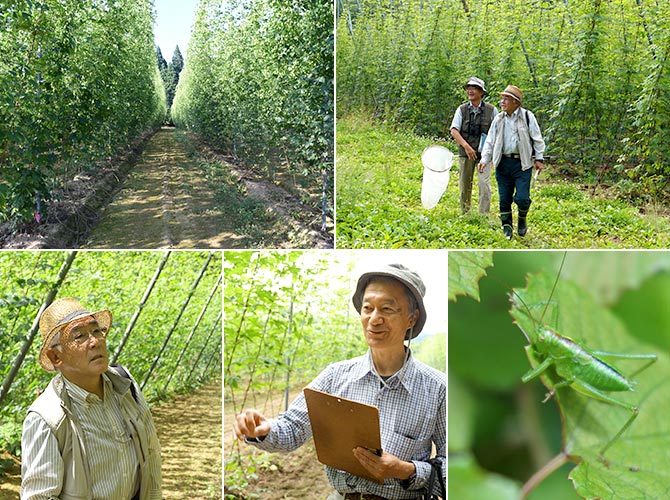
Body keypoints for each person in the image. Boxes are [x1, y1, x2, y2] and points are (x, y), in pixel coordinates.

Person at [234, 264, 446, 500]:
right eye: (367, 308)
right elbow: (293, 429)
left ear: (411, 318)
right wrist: (264, 430)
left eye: (387, 309)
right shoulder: (335, 376)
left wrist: (406, 470)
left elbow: (455, 470)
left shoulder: (437, 389)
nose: (374, 319)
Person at [21, 297, 162, 500]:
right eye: (79, 336)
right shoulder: (46, 419)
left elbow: (151, 454)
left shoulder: (125, 386)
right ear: (55, 357)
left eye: (96, 331)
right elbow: (39, 497)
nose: (95, 342)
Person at [479, 85, 546, 239]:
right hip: (503, 163)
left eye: (506, 98)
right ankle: (507, 227)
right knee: (504, 198)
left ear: (516, 102)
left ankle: (522, 218)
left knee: (522, 199)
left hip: (522, 164)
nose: (502, 101)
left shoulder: (527, 117)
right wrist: (485, 159)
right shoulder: (498, 118)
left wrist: (539, 158)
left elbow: (537, 139)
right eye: (502, 98)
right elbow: (490, 141)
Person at [450, 77, 498, 215]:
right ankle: (465, 212)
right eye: (468, 88)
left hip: (485, 154)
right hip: (466, 153)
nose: (470, 90)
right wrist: (466, 147)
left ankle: (483, 215)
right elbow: (454, 130)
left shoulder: (492, 110)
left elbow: (498, 131)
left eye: (474, 88)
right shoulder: (462, 109)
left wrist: (493, 154)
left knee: (484, 184)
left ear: (481, 92)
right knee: (465, 184)